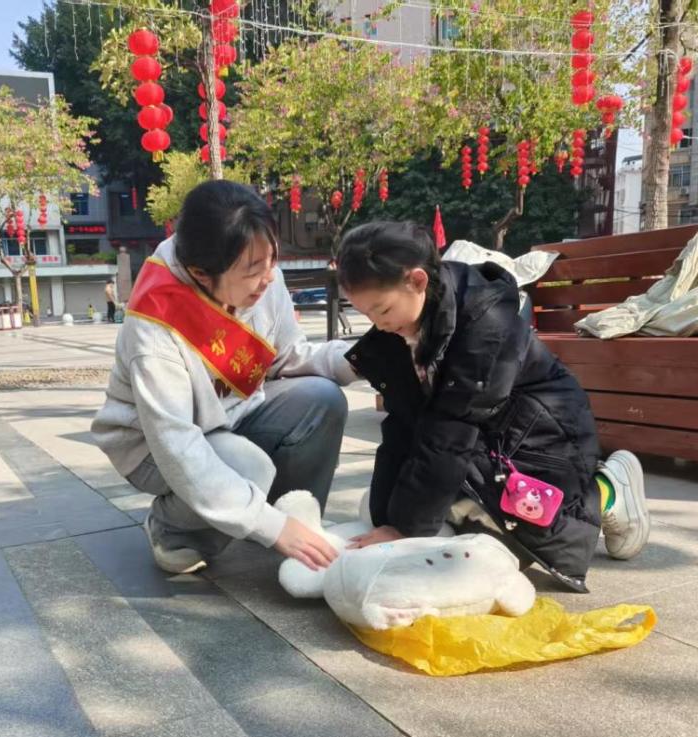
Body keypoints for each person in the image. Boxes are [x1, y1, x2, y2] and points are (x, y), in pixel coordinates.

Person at [336, 221, 649, 593]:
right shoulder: (404, 325)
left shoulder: (484, 324)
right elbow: (404, 425)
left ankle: (609, 490)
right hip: (487, 435)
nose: (378, 325)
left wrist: (405, 529)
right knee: (395, 512)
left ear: (417, 281)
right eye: (366, 315)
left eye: (382, 310)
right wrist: (389, 519)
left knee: (500, 549)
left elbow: (450, 432)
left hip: (541, 441)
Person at [92, 181, 356, 575]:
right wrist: (271, 528)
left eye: (272, 260)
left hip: (234, 416)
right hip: (153, 447)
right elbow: (177, 444)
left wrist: (358, 361)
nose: (269, 278)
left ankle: (294, 521)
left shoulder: (260, 271)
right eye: (254, 270)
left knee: (323, 399)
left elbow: (289, 357)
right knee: (248, 467)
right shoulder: (155, 326)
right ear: (201, 274)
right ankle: (172, 528)